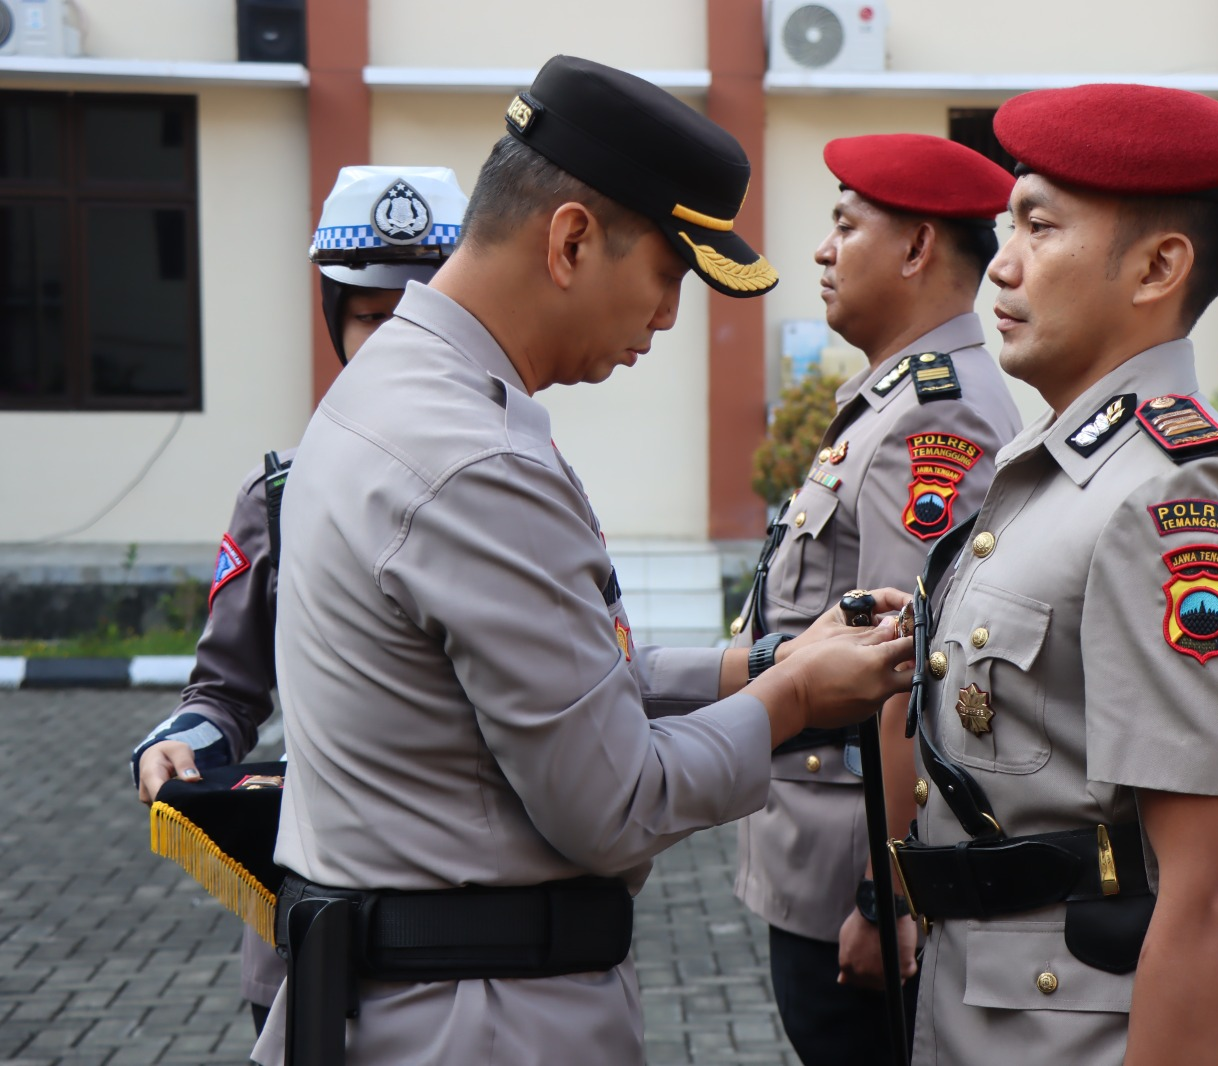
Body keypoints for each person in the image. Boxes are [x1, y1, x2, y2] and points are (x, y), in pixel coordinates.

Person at [248, 55, 914, 1066]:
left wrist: (763, 664)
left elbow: (561, 687)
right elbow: (612, 802)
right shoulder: (470, 457)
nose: (667, 317)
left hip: (428, 992)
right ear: (570, 240)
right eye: (668, 273)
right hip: (479, 1017)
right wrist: (792, 704)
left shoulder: (408, 387)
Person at [887, 84, 1218, 1066]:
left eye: (1039, 225)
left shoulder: (1171, 494)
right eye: (1007, 223)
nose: (999, 262)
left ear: (1159, 266)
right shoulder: (1061, 463)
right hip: (989, 1003)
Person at [129, 164, 468, 1033]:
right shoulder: (280, 494)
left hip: (476, 940)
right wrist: (183, 742)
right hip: (315, 931)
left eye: (414, 319)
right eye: (367, 318)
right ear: (334, 324)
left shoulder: (509, 484)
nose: (391, 342)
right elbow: (227, 689)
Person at [729, 133, 1021, 1065]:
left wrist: (884, 892)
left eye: (845, 224)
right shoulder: (891, 398)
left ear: (917, 247)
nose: (822, 249)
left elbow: (913, 662)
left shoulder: (938, 411)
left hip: (852, 851)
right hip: (814, 835)